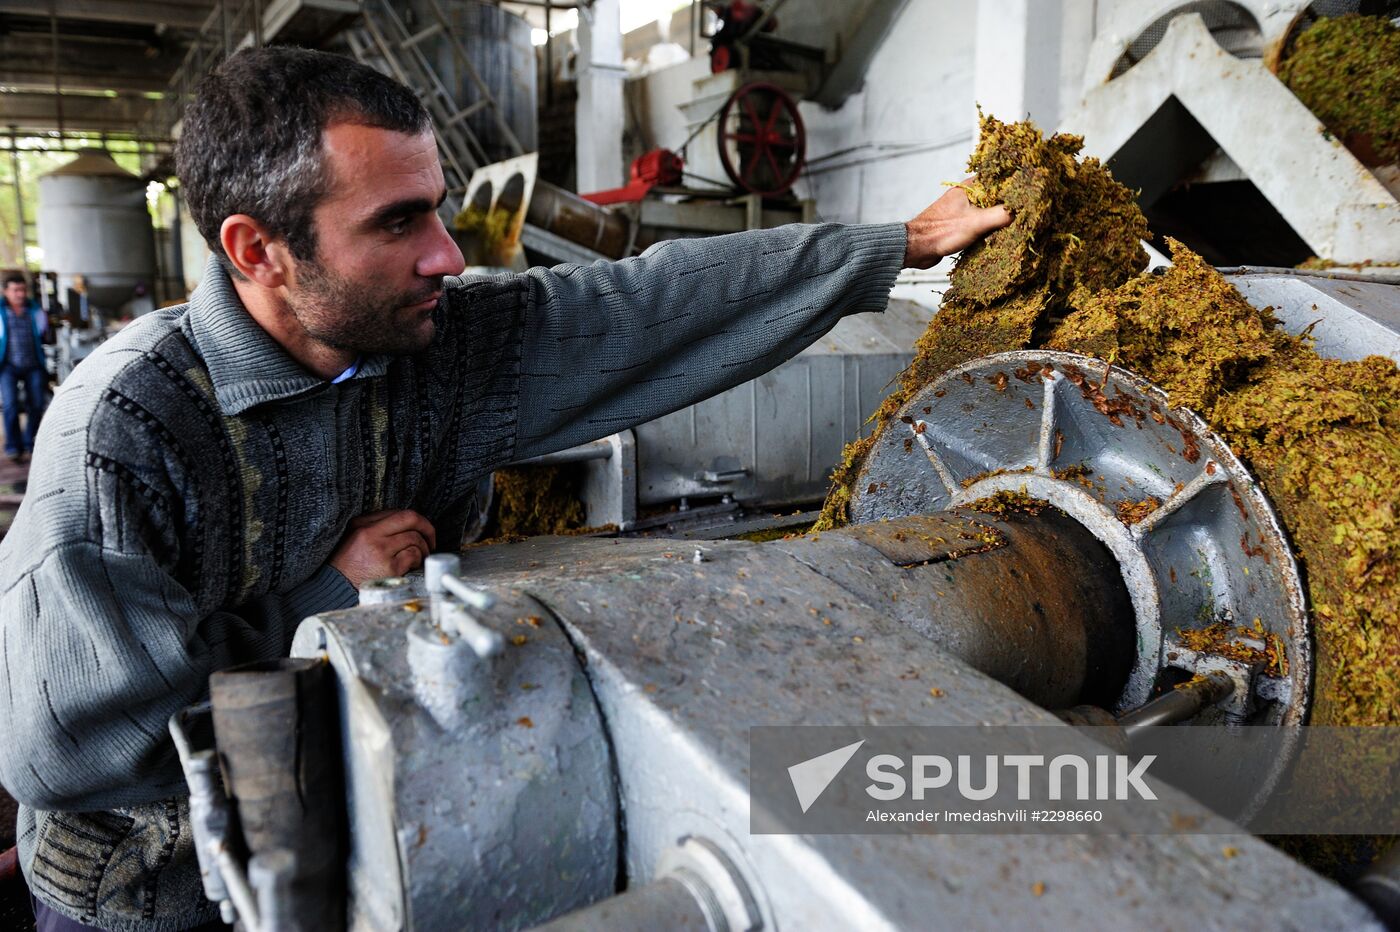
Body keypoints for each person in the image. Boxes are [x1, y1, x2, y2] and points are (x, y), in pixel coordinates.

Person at [0, 47, 1009, 931]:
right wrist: (328, 599)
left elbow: (644, 305)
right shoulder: (123, 437)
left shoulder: (439, 345)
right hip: (159, 893)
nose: (446, 253)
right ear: (257, 250)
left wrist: (892, 248)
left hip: (364, 836)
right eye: (397, 222)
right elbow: (75, 743)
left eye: (436, 207)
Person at [0, 272, 48, 462]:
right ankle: (13, 446)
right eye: (15, 290)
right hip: (8, 366)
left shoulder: (35, 310)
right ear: (5, 291)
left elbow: (43, 333)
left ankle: (30, 441)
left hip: (33, 364)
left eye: (22, 290)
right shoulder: (1, 311)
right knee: (10, 405)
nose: (20, 294)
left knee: (36, 404)